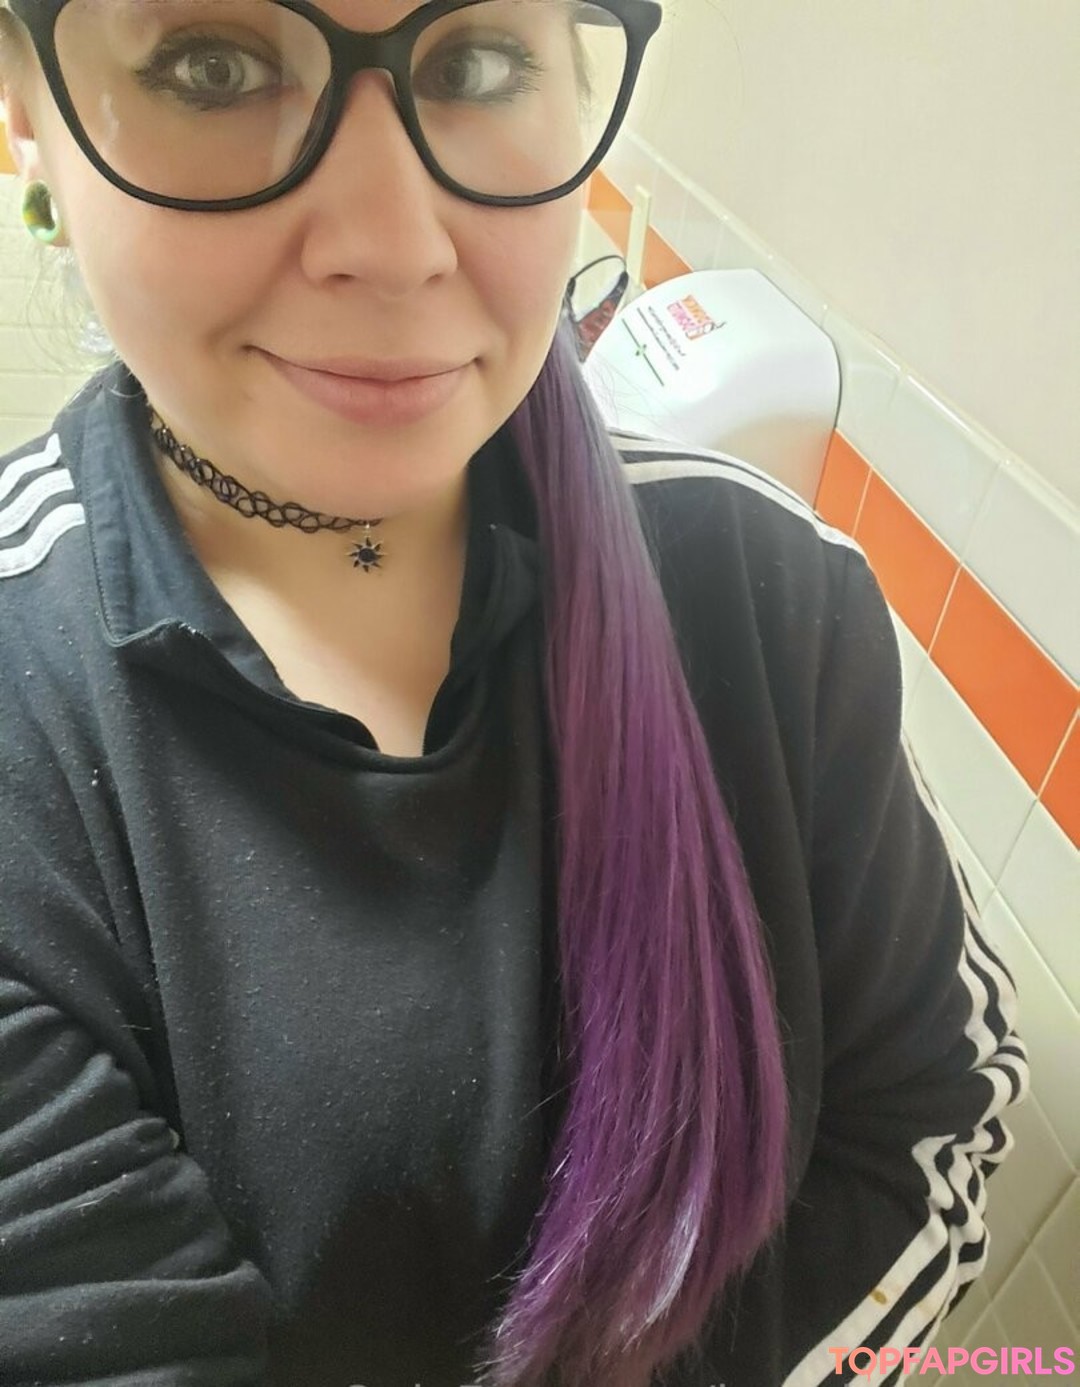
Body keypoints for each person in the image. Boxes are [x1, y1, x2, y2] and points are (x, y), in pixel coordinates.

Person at [0, 2, 1027, 1385]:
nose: (395, 244)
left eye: (476, 65)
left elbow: (931, 1124)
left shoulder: (765, 588)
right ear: (28, 113)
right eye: (215, 66)